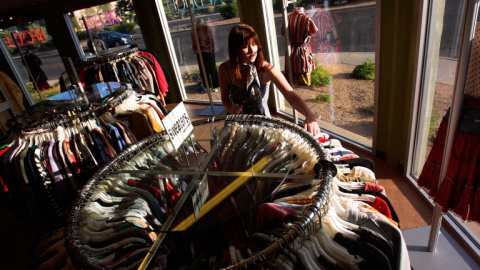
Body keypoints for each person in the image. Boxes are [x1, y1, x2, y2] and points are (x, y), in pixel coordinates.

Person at [218, 24, 321, 136]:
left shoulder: (266, 69)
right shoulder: (224, 69)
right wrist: (230, 107)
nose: (252, 50)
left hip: (263, 127)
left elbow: (291, 95)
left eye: (254, 44)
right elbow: (224, 97)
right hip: (235, 127)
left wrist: (310, 116)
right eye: (245, 46)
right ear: (235, 49)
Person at [191, 18, 219, 91]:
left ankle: (207, 86)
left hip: (200, 52)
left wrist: (195, 50)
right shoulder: (207, 27)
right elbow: (211, 39)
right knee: (212, 69)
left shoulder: (193, 29)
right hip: (208, 51)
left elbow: (193, 41)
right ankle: (215, 85)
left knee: (203, 70)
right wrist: (212, 49)